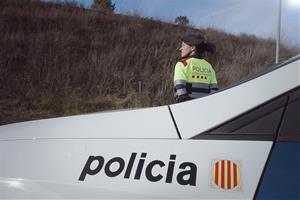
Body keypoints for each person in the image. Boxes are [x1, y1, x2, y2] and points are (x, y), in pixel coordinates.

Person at [173, 34, 218, 103]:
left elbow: (180, 91)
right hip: (206, 108)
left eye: (183, 45)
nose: (180, 49)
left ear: (192, 48)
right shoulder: (209, 66)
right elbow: (214, 90)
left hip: (187, 108)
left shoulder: (183, 64)